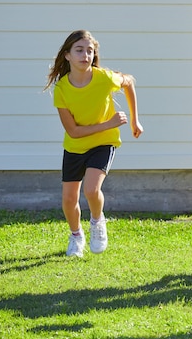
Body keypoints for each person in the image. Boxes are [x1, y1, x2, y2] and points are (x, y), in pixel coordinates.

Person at [44, 30, 143, 258]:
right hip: (75, 146)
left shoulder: (104, 78)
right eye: (79, 50)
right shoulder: (62, 90)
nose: (85, 55)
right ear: (67, 55)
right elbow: (74, 131)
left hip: (103, 143)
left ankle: (98, 221)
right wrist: (109, 123)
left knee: (91, 189)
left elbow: (128, 82)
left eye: (90, 51)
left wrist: (135, 119)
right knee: (69, 200)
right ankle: (76, 236)